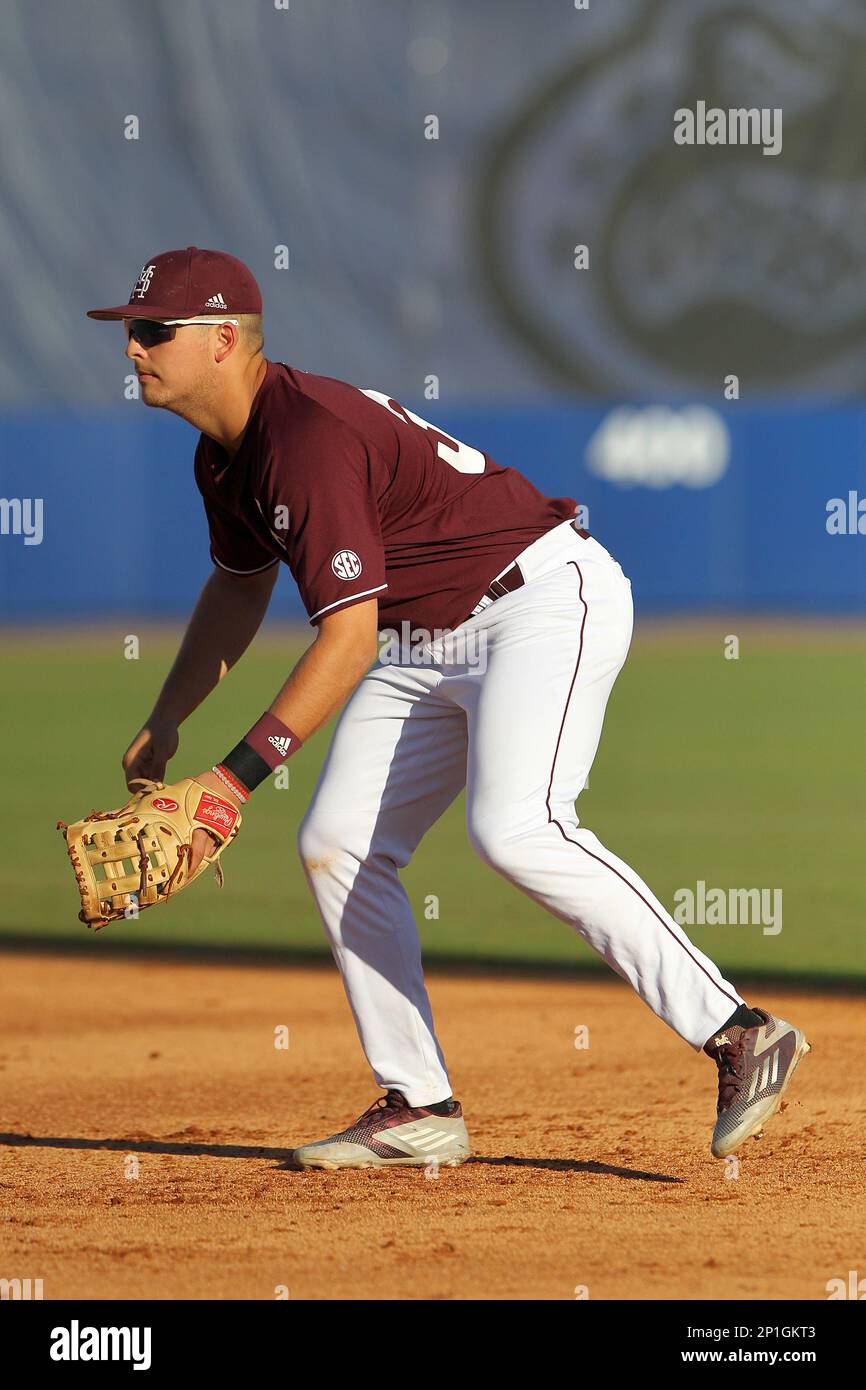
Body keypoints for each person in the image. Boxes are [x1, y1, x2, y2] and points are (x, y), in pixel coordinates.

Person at [88, 246, 810, 1170]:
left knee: (517, 828)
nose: (133, 349)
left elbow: (343, 642)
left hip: (539, 600)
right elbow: (238, 589)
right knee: (336, 843)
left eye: (153, 331)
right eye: (130, 331)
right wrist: (169, 715)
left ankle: (740, 1030)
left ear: (224, 340)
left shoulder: (304, 438)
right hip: (422, 639)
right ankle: (419, 1103)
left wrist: (232, 782)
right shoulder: (223, 459)